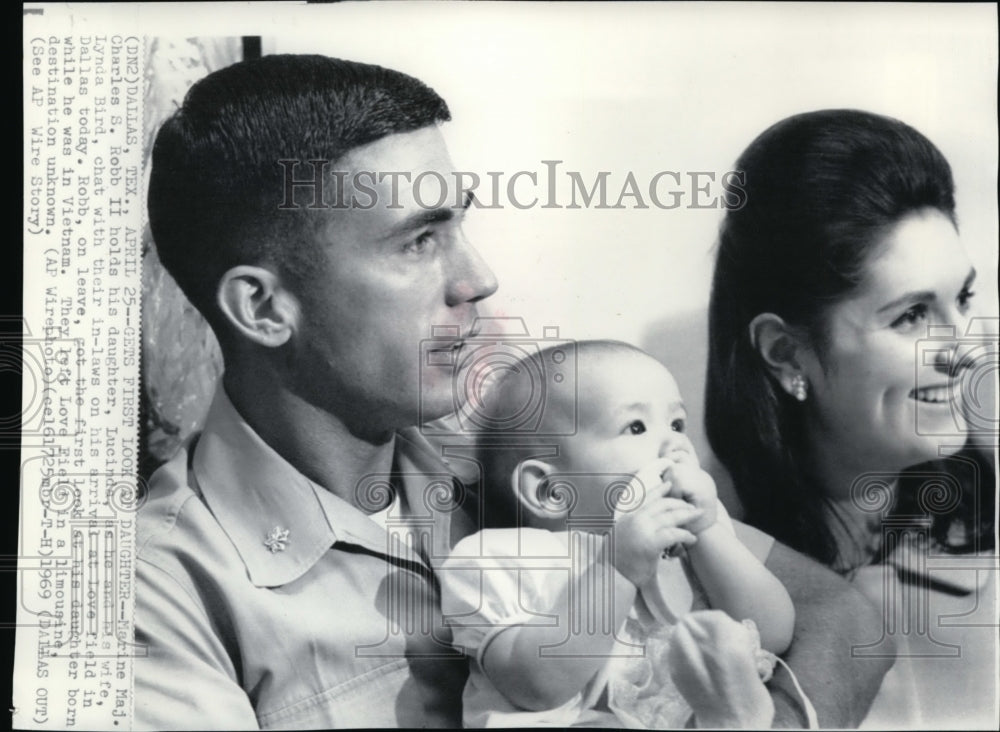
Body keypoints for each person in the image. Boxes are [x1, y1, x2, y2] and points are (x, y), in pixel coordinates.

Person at [137, 55, 890, 729]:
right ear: (264, 309)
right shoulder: (157, 595)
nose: (477, 278)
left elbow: (842, 616)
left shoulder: (517, 431)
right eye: (419, 240)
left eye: (460, 223)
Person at [705, 108, 997, 727]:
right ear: (787, 353)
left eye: (962, 298)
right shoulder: (704, 560)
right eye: (911, 316)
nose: (964, 347)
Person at [439, 340, 803, 727]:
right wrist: (616, 570)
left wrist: (709, 531)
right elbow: (536, 686)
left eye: (677, 424)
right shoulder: (500, 558)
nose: (674, 444)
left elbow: (772, 634)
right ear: (551, 491)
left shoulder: (692, 541)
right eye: (636, 427)